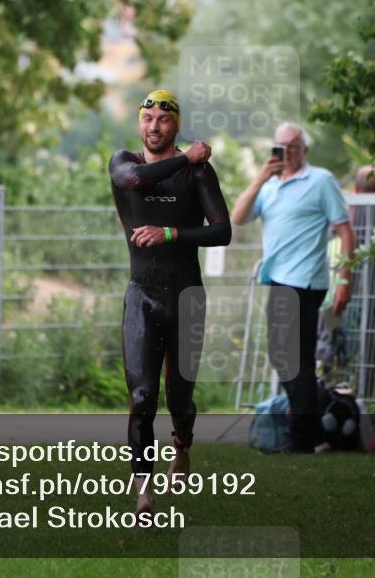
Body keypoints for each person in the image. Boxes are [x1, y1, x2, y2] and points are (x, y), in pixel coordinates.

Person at [109, 89, 231, 514]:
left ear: (175, 125)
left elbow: (222, 232)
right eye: (148, 119)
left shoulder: (198, 175)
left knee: (178, 397)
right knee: (142, 397)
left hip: (186, 297)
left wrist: (172, 233)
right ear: (139, 124)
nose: (154, 127)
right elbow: (137, 182)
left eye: (163, 120)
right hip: (142, 294)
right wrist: (188, 156)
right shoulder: (124, 161)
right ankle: (143, 488)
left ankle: (183, 444)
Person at [230, 122, 355, 453]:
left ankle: (302, 439)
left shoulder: (321, 181)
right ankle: (311, 431)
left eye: (294, 146)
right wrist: (259, 178)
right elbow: (238, 217)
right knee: (281, 356)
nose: (287, 152)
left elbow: (345, 231)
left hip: (306, 282)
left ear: (305, 150)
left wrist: (344, 280)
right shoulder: (268, 186)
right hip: (278, 280)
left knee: (294, 360)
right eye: (281, 146)